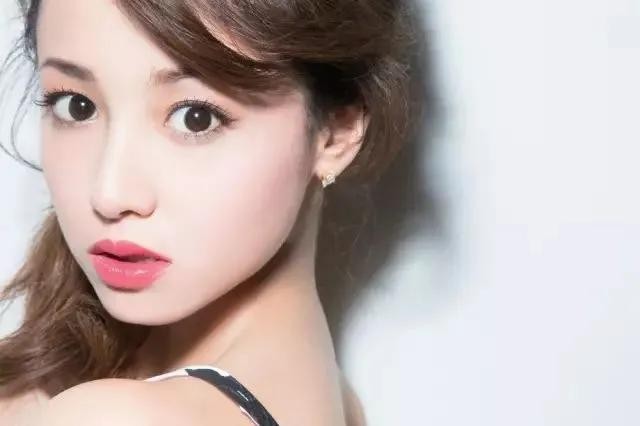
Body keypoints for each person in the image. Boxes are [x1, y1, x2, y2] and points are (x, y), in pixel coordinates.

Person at [0, 0, 417, 424]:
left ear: (336, 134)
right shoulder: (332, 401)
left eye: (195, 118)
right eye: (76, 106)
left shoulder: (117, 417)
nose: (109, 194)